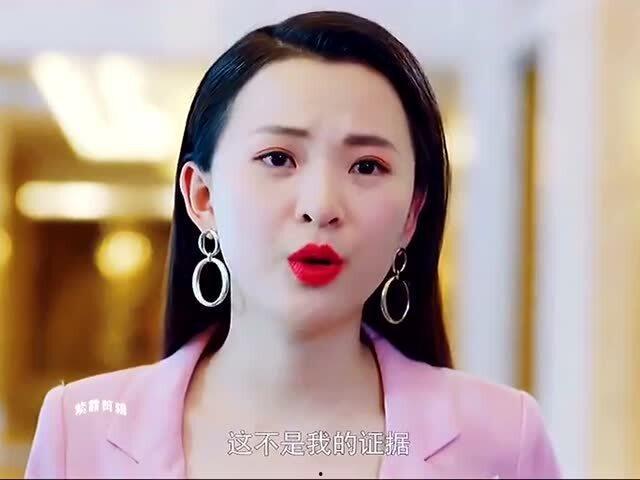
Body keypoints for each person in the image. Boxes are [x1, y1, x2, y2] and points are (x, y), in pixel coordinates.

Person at [24, 10, 561, 479]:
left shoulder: (502, 439)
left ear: (412, 215)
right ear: (203, 197)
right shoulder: (79, 432)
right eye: (278, 158)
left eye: (366, 166)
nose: (321, 205)